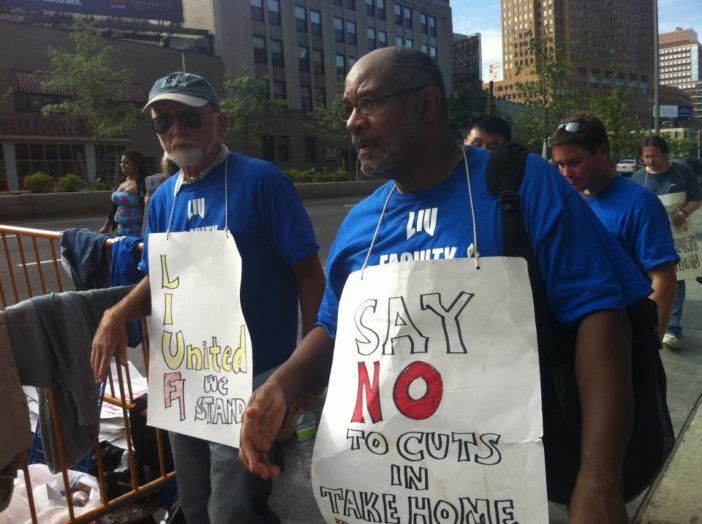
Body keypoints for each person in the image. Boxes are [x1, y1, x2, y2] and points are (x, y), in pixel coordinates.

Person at [240, 47, 651, 522]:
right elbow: (334, 331)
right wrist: (278, 388)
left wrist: (599, 483)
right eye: (348, 107)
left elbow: (601, 319)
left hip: (514, 489)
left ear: (427, 104)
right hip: (392, 493)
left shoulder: (519, 184)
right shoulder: (360, 224)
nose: (353, 122)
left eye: (369, 103)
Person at [91, 71, 325, 524]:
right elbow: (159, 279)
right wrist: (116, 313)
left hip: (252, 379)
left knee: (233, 510)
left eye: (189, 118)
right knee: (195, 503)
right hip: (187, 380)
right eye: (163, 123)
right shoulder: (162, 198)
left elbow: (308, 272)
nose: (175, 130)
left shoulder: (261, 180)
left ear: (221, 121)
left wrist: (305, 368)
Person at [551, 114, 678, 342]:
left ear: (601, 153)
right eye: (560, 164)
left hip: (624, 336)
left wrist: (649, 342)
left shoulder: (641, 204)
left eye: (574, 162)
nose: (566, 173)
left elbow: (663, 279)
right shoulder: (566, 200)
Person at [632, 135, 702, 349]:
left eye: (654, 156)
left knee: (676, 280)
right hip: (647, 238)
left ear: (664, 154)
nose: (650, 161)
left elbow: (697, 198)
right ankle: (647, 323)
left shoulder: (682, 172)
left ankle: (672, 328)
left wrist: (684, 212)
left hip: (676, 236)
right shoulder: (638, 177)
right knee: (645, 280)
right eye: (646, 157)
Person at [98, 150, 148, 236]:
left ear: (136, 165)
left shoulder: (143, 184)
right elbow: (114, 206)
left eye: (126, 162)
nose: (122, 165)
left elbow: (146, 205)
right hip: (120, 231)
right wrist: (106, 226)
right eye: (121, 162)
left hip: (137, 233)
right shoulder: (121, 182)